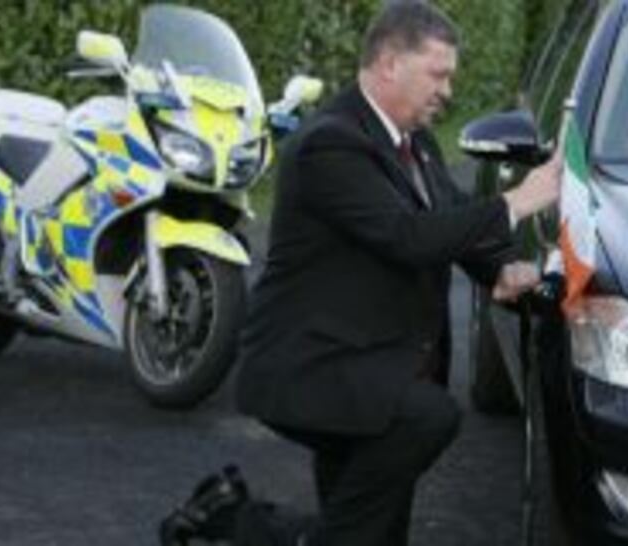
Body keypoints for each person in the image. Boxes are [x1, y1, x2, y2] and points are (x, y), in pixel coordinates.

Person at [226, 2, 561, 545]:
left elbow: (448, 222)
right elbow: (404, 237)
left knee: (378, 526)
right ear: (388, 63)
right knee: (428, 420)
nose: (446, 90)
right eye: (438, 73)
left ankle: (235, 522)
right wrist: (516, 202)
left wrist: (499, 270)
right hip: (315, 369)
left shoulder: (416, 142)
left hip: (374, 368)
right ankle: (255, 530)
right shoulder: (331, 143)